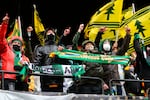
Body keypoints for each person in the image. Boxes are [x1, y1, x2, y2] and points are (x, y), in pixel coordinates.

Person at [71, 23, 108, 94]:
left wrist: (100, 33)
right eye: (87, 45)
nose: (89, 46)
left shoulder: (98, 55)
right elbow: (74, 43)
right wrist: (79, 31)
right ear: (84, 48)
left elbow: (97, 41)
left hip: (98, 82)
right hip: (85, 84)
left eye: (91, 45)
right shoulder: (80, 55)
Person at [96, 26, 131, 95]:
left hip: (117, 82)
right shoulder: (99, 55)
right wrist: (100, 33)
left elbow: (124, 47)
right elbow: (96, 44)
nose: (107, 44)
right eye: (105, 43)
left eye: (108, 43)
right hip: (106, 84)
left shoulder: (115, 54)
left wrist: (128, 35)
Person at [0, 14, 30, 91]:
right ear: (10, 44)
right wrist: (4, 24)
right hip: (8, 78)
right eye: (14, 42)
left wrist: (26, 66)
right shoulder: (6, 51)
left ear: (21, 46)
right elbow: (1, 39)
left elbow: (29, 70)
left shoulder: (24, 57)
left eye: (19, 43)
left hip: (22, 81)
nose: (17, 44)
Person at [33, 27, 64, 92]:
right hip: (45, 78)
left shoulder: (60, 48)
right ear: (45, 36)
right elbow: (36, 63)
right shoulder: (40, 48)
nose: (51, 34)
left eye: (52, 33)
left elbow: (65, 62)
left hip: (58, 77)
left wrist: (62, 53)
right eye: (49, 32)